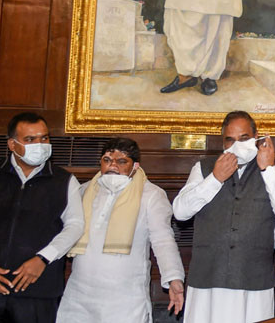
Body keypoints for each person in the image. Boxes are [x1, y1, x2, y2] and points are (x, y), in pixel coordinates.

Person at [172, 111, 275, 322]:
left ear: (257, 137)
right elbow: (180, 212)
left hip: (253, 282)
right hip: (207, 279)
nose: (237, 145)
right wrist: (215, 178)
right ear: (223, 142)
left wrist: (267, 169)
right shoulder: (203, 168)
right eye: (230, 140)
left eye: (244, 138)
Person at [57, 138, 185, 322]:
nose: (113, 166)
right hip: (80, 294)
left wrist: (174, 278)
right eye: (107, 160)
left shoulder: (151, 195)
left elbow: (163, 240)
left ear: (135, 166)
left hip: (125, 298)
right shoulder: (84, 191)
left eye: (122, 161)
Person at [0, 112, 84, 323]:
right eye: (30, 139)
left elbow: (75, 226)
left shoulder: (64, 180)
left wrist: (43, 259)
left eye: (44, 138)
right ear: (12, 144)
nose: (40, 144)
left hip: (38, 291)